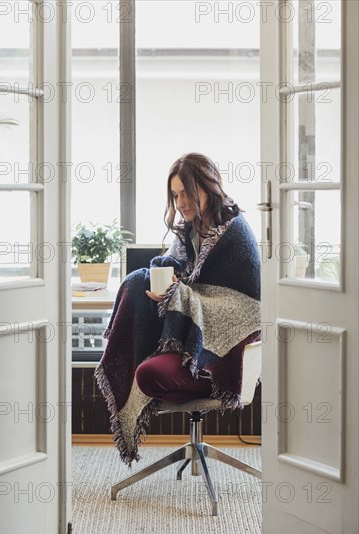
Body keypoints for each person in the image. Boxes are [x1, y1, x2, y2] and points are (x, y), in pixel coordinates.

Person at [95, 152, 261, 465]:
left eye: (187, 192)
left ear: (208, 187)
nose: (181, 202)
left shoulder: (235, 232)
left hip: (226, 351)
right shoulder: (187, 233)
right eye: (175, 195)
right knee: (136, 281)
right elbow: (178, 283)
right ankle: (173, 375)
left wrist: (180, 295)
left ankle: (200, 380)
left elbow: (244, 308)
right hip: (189, 343)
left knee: (149, 375)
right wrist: (168, 287)